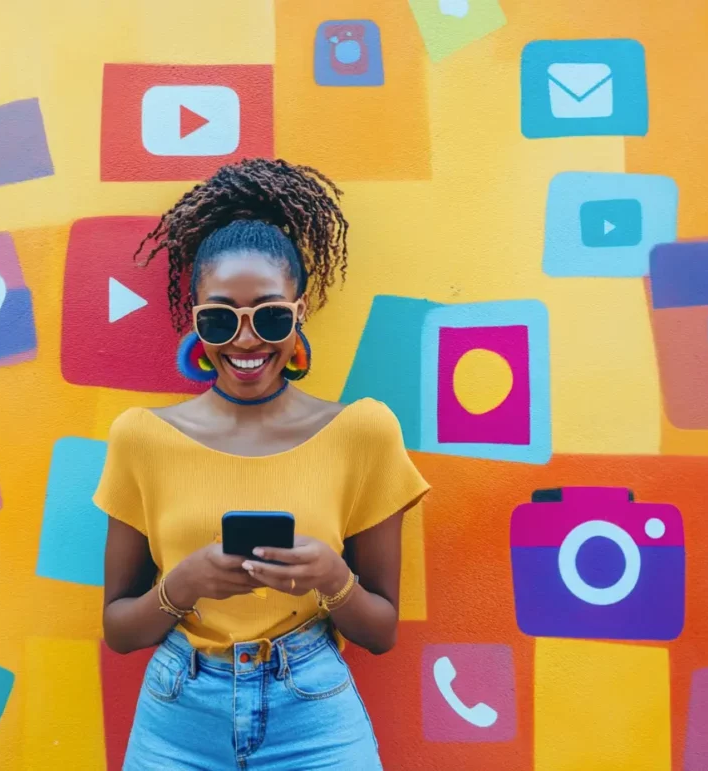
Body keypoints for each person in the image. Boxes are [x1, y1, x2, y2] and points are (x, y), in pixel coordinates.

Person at [94, 158, 430, 770]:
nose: (246, 341)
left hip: (313, 710)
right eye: (220, 318)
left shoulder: (363, 432)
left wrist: (332, 578)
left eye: (269, 315)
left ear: (299, 314)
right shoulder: (141, 438)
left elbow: (381, 633)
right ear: (195, 320)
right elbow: (119, 631)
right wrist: (182, 586)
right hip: (178, 713)